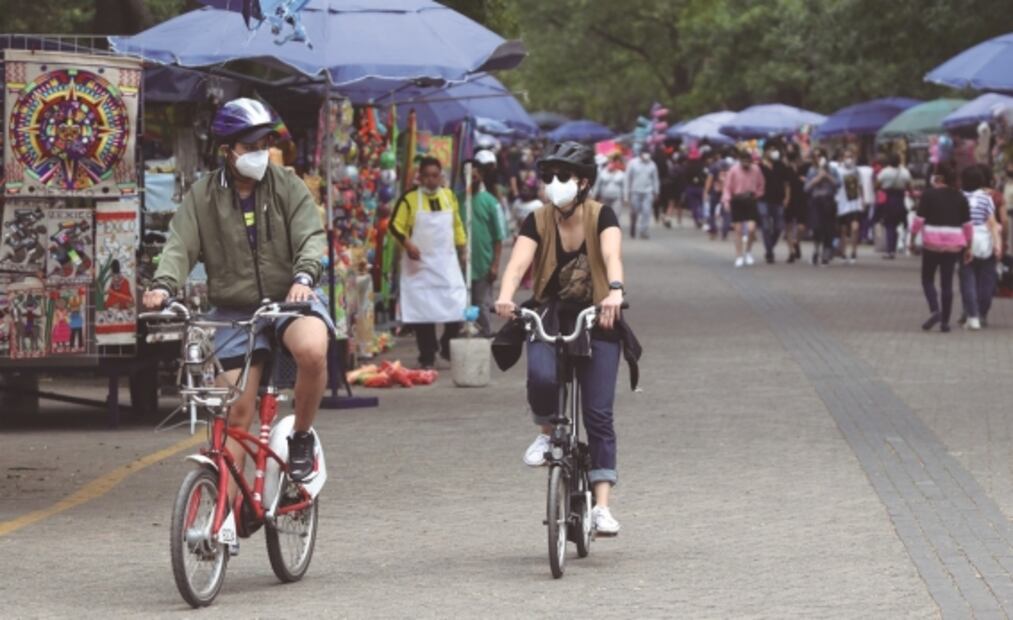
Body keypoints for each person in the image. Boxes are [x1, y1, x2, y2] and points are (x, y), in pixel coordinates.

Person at [145, 97, 329, 483]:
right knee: (235, 415)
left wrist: (304, 277)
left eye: (264, 145)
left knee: (312, 350)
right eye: (250, 147)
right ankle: (223, 518)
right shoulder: (203, 195)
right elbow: (180, 245)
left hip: (289, 301)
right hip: (234, 313)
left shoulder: (288, 185)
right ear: (227, 150)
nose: (259, 154)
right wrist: (163, 286)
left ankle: (300, 437)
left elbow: (310, 236)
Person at [494, 141, 630, 536]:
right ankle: (545, 433)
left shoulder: (601, 215)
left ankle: (601, 507)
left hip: (598, 313)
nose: (553, 184)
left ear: (583, 182)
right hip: (550, 312)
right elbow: (519, 262)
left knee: (598, 414)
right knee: (540, 375)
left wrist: (616, 291)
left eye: (562, 177)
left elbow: (612, 257)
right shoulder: (536, 219)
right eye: (548, 177)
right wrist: (505, 296)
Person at [389, 156, 467, 368]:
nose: (432, 180)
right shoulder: (409, 199)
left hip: (446, 263)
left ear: (441, 176)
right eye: (427, 176)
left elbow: (457, 224)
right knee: (423, 313)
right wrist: (408, 244)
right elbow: (395, 226)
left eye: (435, 176)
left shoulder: (450, 196)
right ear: (420, 177)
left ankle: (447, 344)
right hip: (419, 265)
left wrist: (463, 248)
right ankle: (427, 355)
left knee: (456, 306)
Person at [909, 163, 971, 333]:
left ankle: (935, 310)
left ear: (938, 177)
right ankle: (945, 322)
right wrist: (968, 247)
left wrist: (912, 239)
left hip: (931, 242)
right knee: (947, 283)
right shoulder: (960, 197)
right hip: (953, 244)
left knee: (927, 279)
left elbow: (919, 220)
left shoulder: (928, 195)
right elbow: (967, 226)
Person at [459, 159, 504, 337]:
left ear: (482, 176)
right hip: (460, 264)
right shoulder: (458, 200)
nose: (471, 179)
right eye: (468, 176)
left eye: (475, 176)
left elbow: (498, 237)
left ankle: (484, 334)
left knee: (481, 303)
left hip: (483, 263)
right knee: (462, 302)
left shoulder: (491, 202)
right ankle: (465, 333)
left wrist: (495, 264)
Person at [958, 166, 1002, 330]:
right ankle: (981, 313)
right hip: (984, 243)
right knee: (987, 281)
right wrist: (997, 245)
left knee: (967, 280)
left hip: (964, 242)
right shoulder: (986, 198)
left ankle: (971, 313)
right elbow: (992, 224)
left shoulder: (959, 197)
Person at [721, 150, 765, 267]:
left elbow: (761, 184)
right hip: (737, 200)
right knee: (738, 230)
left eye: (748, 161)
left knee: (751, 229)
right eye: (743, 161)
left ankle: (748, 252)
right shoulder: (733, 170)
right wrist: (726, 201)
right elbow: (727, 187)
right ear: (740, 161)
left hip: (751, 199)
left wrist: (758, 195)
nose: (746, 164)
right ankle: (739, 255)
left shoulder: (756, 169)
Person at [805, 149, 840, 265]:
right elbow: (806, 188)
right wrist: (817, 179)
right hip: (816, 201)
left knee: (828, 228)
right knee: (816, 227)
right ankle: (816, 249)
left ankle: (826, 251)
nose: (818, 158)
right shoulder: (811, 171)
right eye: (816, 156)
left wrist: (828, 177)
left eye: (820, 156)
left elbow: (839, 184)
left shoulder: (833, 170)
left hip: (828, 200)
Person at [758, 143, 790, 263]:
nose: (773, 152)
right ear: (765, 151)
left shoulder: (781, 166)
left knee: (779, 227)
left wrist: (787, 197)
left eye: (775, 150)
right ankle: (769, 252)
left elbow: (786, 184)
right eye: (771, 150)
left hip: (778, 200)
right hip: (763, 199)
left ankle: (770, 246)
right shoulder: (759, 167)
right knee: (765, 226)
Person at [876, 154, 912, 259]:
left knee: (889, 225)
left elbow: (877, 184)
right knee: (898, 224)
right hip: (900, 200)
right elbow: (910, 187)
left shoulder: (885, 172)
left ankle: (890, 250)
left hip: (888, 200)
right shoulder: (905, 172)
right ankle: (895, 248)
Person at [625, 146, 660, 239]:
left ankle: (643, 231)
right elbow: (627, 179)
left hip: (648, 191)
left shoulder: (652, 164)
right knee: (634, 211)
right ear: (640, 154)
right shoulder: (632, 163)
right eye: (645, 153)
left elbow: (655, 179)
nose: (646, 155)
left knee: (646, 211)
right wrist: (626, 195)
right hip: (635, 191)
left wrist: (656, 192)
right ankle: (633, 224)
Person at [836, 150, 864, 264]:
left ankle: (854, 252)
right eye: (847, 156)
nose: (849, 159)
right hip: (842, 203)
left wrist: (863, 200)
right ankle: (843, 252)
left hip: (855, 203)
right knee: (843, 229)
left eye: (851, 156)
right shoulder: (838, 171)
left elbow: (860, 186)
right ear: (842, 158)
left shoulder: (857, 171)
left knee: (855, 228)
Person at [783, 145, 808, 262]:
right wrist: (786, 198)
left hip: (801, 198)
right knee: (788, 225)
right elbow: (785, 184)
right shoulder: (785, 168)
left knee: (802, 226)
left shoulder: (804, 167)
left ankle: (796, 242)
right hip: (789, 199)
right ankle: (791, 251)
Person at [593, 151, 627, 226]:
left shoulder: (621, 174)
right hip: (605, 198)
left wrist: (625, 198)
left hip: (617, 198)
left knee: (616, 215)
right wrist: (594, 196)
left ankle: (614, 228)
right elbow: (597, 185)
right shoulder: (602, 173)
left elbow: (625, 187)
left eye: (613, 162)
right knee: (605, 215)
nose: (611, 164)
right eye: (610, 162)